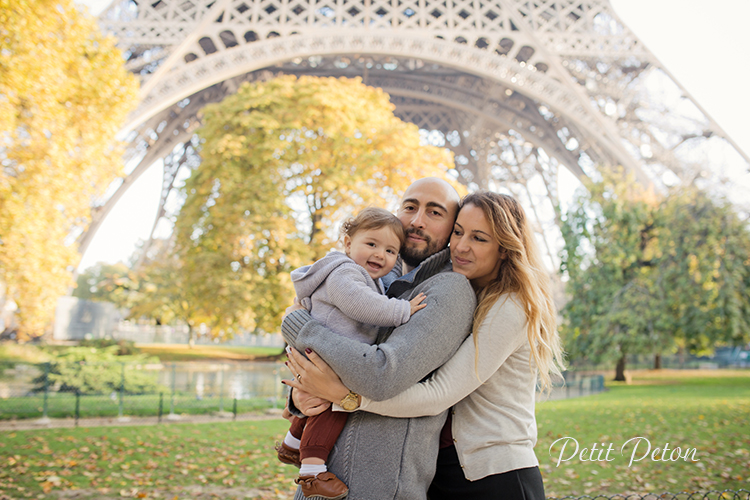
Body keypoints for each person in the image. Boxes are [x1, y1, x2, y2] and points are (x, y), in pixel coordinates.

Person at [285, 191, 566, 499]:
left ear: (504, 248)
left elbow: (435, 393)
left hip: (493, 472)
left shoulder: (506, 305)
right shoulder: (410, 285)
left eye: (479, 238)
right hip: (445, 468)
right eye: (459, 233)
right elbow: (351, 347)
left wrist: (345, 396)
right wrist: (303, 393)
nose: (461, 246)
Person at [281, 177, 477, 500]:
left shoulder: (448, 290)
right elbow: (325, 352)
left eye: (435, 212)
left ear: (453, 231)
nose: (417, 221)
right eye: (410, 207)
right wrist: (300, 396)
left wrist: (295, 323)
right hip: (317, 489)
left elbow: (381, 375)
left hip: (380, 491)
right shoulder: (372, 279)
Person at [277, 207, 428, 499]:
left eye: (390, 250)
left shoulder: (361, 270)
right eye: (371, 244)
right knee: (335, 405)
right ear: (347, 244)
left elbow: (389, 271)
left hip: (326, 348)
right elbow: (363, 305)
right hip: (326, 353)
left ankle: (292, 443)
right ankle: (312, 472)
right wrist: (402, 310)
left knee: (319, 402)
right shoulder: (344, 273)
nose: (380, 255)